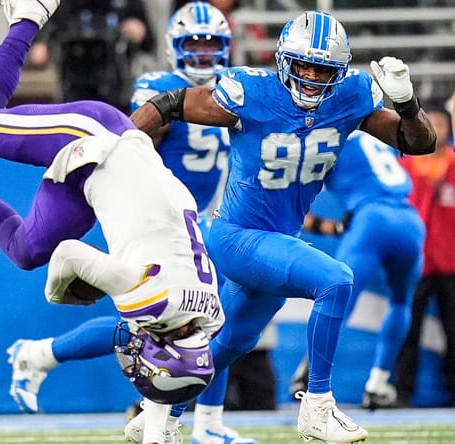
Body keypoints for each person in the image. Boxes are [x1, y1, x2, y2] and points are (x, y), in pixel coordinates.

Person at [0, 1, 227, 442]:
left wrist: (154, 435)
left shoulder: (206, 321)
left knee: (27, 250)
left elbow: (170, 362)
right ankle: (30, 15)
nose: (140, 363)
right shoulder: (156, 304)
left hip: (99, 179)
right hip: (98, 138)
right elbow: (70, 255)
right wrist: (59, 294)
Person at [130, 9, 436, 444]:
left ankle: (162, 412)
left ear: (339, 72)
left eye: (322, 69)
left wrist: (406, 103)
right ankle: (318, 407)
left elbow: (419, 142)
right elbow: (171, 103)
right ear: (283, 60)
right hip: (236, 236)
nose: (311, 76)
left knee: (229, 344)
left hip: (279, 238)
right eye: (303, 65)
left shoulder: (351, 97)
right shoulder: (251, 92)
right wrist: (123, 145)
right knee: (335, 279)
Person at [3, 3, 256, 444]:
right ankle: (185, 421)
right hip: (155, 220)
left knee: (190, 323)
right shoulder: (159, 87)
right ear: (174, 47)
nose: (202, 53)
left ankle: (179, 421)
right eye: (194, 44)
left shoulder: (234, 90)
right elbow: (136, 147)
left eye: (211, 44)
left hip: (200, 220)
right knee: (162, 323)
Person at [287, 130, 425, 411]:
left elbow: (291, 204)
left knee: (338, 299)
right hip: (410, 221)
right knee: (401, 302)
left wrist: (327, 227)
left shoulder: (327, 137)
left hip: (370, 220)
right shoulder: (374, 135)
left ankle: (308, 377)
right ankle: (378, 384)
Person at [394, 106, 455, 407]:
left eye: (441, 124)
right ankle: (402, 392)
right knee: (407, 328)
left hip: (451, 263)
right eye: (431, 124)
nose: (436, 130)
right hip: (414, 261)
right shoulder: (402, 168)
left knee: (453, 329)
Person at [27, 0, 155, 112]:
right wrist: (41, 43)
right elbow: (40, 42)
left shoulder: (126, 3)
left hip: (116, 84)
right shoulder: (63, 4)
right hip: (73, 83)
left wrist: (139, 31)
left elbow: (150, 43)